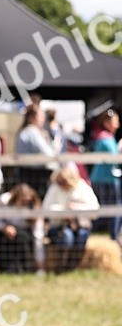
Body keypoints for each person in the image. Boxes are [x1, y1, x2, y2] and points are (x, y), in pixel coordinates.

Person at [41, 162, 99, 273]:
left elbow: (94, 208)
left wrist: (76, 209)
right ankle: (62, 267)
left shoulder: (82, 186)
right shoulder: (55, 188)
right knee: (66, 237)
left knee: (81, 236)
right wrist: (63, 211)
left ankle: (74, 266)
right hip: (59, 225)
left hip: (80, 225)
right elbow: (46, 209)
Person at [0, 183, 43, 274]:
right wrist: (5, 227)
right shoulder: (4, 201)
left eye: (27, 202)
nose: (24, 204)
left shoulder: (33, 207)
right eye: (22, 202)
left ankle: (23, 270)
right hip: (6, 232)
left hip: (24, 235)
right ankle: (4, 270)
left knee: (22, 237)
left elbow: (38, 235)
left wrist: (40, 266)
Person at [88, 107, 120, 242]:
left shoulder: (106, 137)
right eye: (115, 121)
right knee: (111, 209)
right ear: (106, 123)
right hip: (105, 180)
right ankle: (113, 237)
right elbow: (114, 156)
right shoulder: (104, 138)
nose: (117, 124)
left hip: (106, 178)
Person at [15, 104, 59, 201]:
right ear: (31, 118)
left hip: (29, 175)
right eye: (40, 115)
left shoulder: (26, 131)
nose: (43, 118)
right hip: (36, 178)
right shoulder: (32, 132)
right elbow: (48, 154)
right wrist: (56, 145)